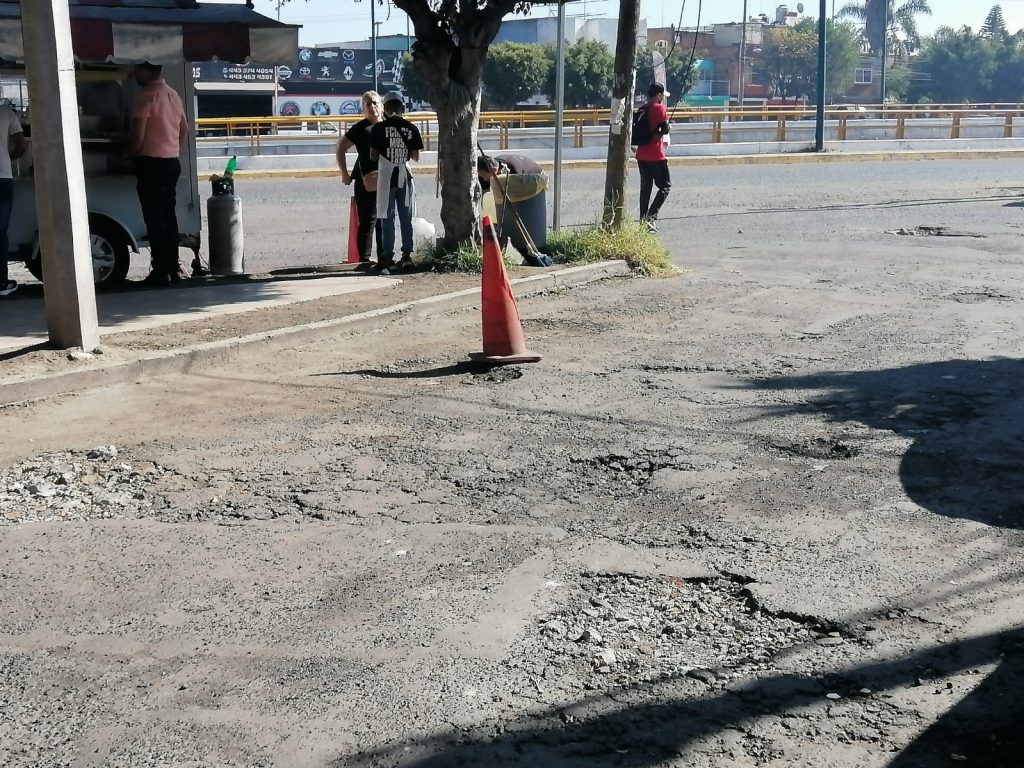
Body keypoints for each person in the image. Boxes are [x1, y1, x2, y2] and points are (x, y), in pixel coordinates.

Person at [128, 62, 188, 286]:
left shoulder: (145, 95)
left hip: (150, 163)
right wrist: (173, 149)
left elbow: (137, 136)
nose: (133, 73)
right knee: (169, 218)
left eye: (137, 69)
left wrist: (130, 155)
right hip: (171, 162)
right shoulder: (173, 94)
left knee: (154, 220)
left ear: (147, 70)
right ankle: (173, 268)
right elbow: (185, 129)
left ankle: (160, 271)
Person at [369, 92, 423, 274]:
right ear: (402, 108)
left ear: (385, 109)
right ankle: (407, 255)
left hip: (386, 177)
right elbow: (415, 156)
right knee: (406, 218)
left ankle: (387, 257)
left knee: (386, 217)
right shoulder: (412, 128)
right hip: (405, 177)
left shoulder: (377, 128)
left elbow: (373, 155)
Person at [337, 91, 385, 271]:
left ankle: (384, 257)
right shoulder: (360, 129)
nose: (372, 107)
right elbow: (341, 148)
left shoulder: (389, 126)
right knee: (367, 220)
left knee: (384, 220)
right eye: (367, 104)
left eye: (374, 103)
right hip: (364, 181)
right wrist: (344, 174)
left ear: (381, 105)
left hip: (387, 181)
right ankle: (364, 260)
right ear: (363, 109)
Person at [476, 154, 552, 267]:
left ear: (495, 169)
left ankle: (528, 248)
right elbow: (485, 194)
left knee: (518, 216)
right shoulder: (485, 174)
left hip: (531, 178)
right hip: (510, 180)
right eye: (481, 176)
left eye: (484, 176)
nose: (484, 179)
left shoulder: (512, 171)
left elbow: (512, 205)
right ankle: (501, 250)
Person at [634, 82, 672, 233]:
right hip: (655, 155)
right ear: (658, 95)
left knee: (646, 189)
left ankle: (643, 221)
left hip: (641, 155)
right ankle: (651, 217)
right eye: (662, 96)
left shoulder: (642, 109)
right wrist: (667, 127)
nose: (662, 98)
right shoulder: (659, 108)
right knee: (665, 186)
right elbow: (665, 129)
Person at [0, 103, 27, 297]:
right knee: (0, 232)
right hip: (3, 177)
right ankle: (1, 282)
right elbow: (21, 146)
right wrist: (6, 158)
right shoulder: (7, 114)